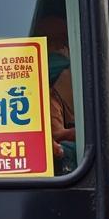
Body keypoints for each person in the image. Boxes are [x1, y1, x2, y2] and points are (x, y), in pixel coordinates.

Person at [33, 15, 77, 173]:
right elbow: (56, 135)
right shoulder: (62, 74)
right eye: (55, 43)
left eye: (64, 42)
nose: (62, 49)